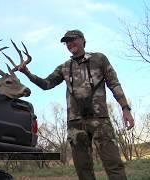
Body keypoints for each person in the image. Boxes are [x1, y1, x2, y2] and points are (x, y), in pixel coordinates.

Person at [17, 29, 134, 180]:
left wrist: (125, 108)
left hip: (100, 119)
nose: (69, 43)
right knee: (83, 169)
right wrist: (27, 72)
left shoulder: (99, 59)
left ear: (83, 40)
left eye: (73, 39)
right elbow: (46, 84)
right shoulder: (64, 67)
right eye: (66, 42)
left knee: (114, 164)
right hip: (75, 124)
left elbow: (114, 84)